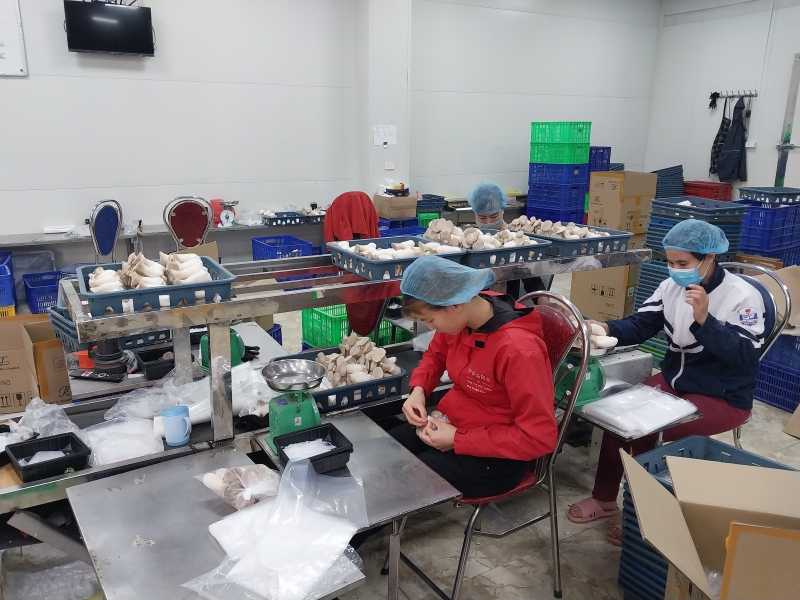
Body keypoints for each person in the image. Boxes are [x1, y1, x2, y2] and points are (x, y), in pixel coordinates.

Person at [566, 220, 764, 545]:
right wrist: (605, 329)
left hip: (724, 394)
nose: (675, 270)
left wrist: (705, 321)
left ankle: (645, 516)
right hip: (677, 382)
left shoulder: (742, 296)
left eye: (683, 264)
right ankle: (604, 498)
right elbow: (642, 324)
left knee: (650, 429)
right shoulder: (671, 287)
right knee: (617, 415)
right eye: (670, 262)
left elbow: (744, 356)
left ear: (709, 258)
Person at [392, 255, 558, 498]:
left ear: (455, 304)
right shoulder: (465, 315)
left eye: (430, 320)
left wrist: (458, 439)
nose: (431, 328)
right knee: (387, 452)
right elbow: (436, 354)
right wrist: (419, 389)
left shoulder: (518, 351)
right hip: (453, 422)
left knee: (404, 478)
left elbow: (538, 437)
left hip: (496, 457)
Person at [468, 181, 545, 299]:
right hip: (478, 305)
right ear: (474, 214)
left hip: (508, 304)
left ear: (502, 210)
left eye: (494, 216)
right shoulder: (469, 241)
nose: (488, 222)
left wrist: (543, 300)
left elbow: (531, 280)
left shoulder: (516, 239)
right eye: (482, 217)